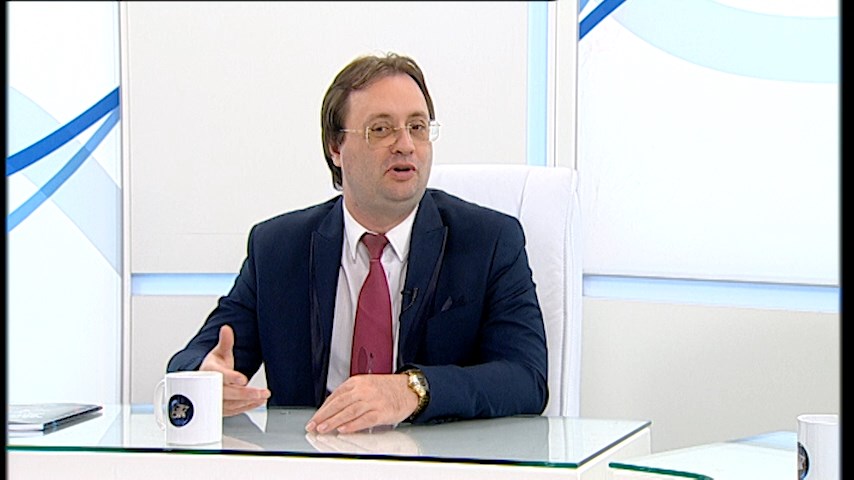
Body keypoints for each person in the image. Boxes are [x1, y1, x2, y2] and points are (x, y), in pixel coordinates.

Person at [167, 52, 548, 434]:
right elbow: (199, 356)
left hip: (435, 459)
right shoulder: (278, 249)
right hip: (311, 455)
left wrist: (412, 390)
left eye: (417, 127)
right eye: (380, 129)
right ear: (336, 147)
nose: (405, 144)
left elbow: (527, 378)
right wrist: (205, 378)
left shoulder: (489, 242)